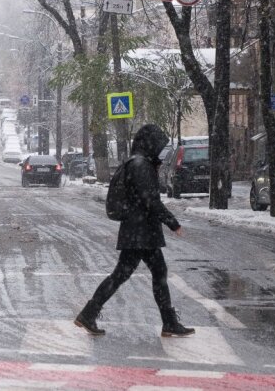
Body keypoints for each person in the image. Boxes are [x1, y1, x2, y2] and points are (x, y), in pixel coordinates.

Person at [74, 124, 194, 338]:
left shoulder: (138, 162)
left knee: (145, 273)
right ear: (150, 144)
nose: (159, 150)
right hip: (141, 232)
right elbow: (150, 200)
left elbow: (146, 199)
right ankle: (90, 313)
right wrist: (172, 222)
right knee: (137, 274)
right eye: (158, 145)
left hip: (138, 230)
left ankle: (90, 313)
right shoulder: (141, 165)